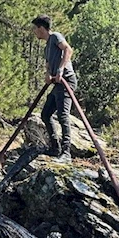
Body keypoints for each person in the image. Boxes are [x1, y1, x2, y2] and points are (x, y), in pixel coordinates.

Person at [32, 14, 77, 162]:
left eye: (35, 28)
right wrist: (48, 74)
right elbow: (48, 64)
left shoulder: (56, 37)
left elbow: (68, 50)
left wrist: (60, 70)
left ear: (41, 28)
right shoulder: (47, 47)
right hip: (57, 84)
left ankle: (66, 153)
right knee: (46, 114)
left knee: (63, 116)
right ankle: (55, 148)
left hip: (66, 82)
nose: (34, 32)